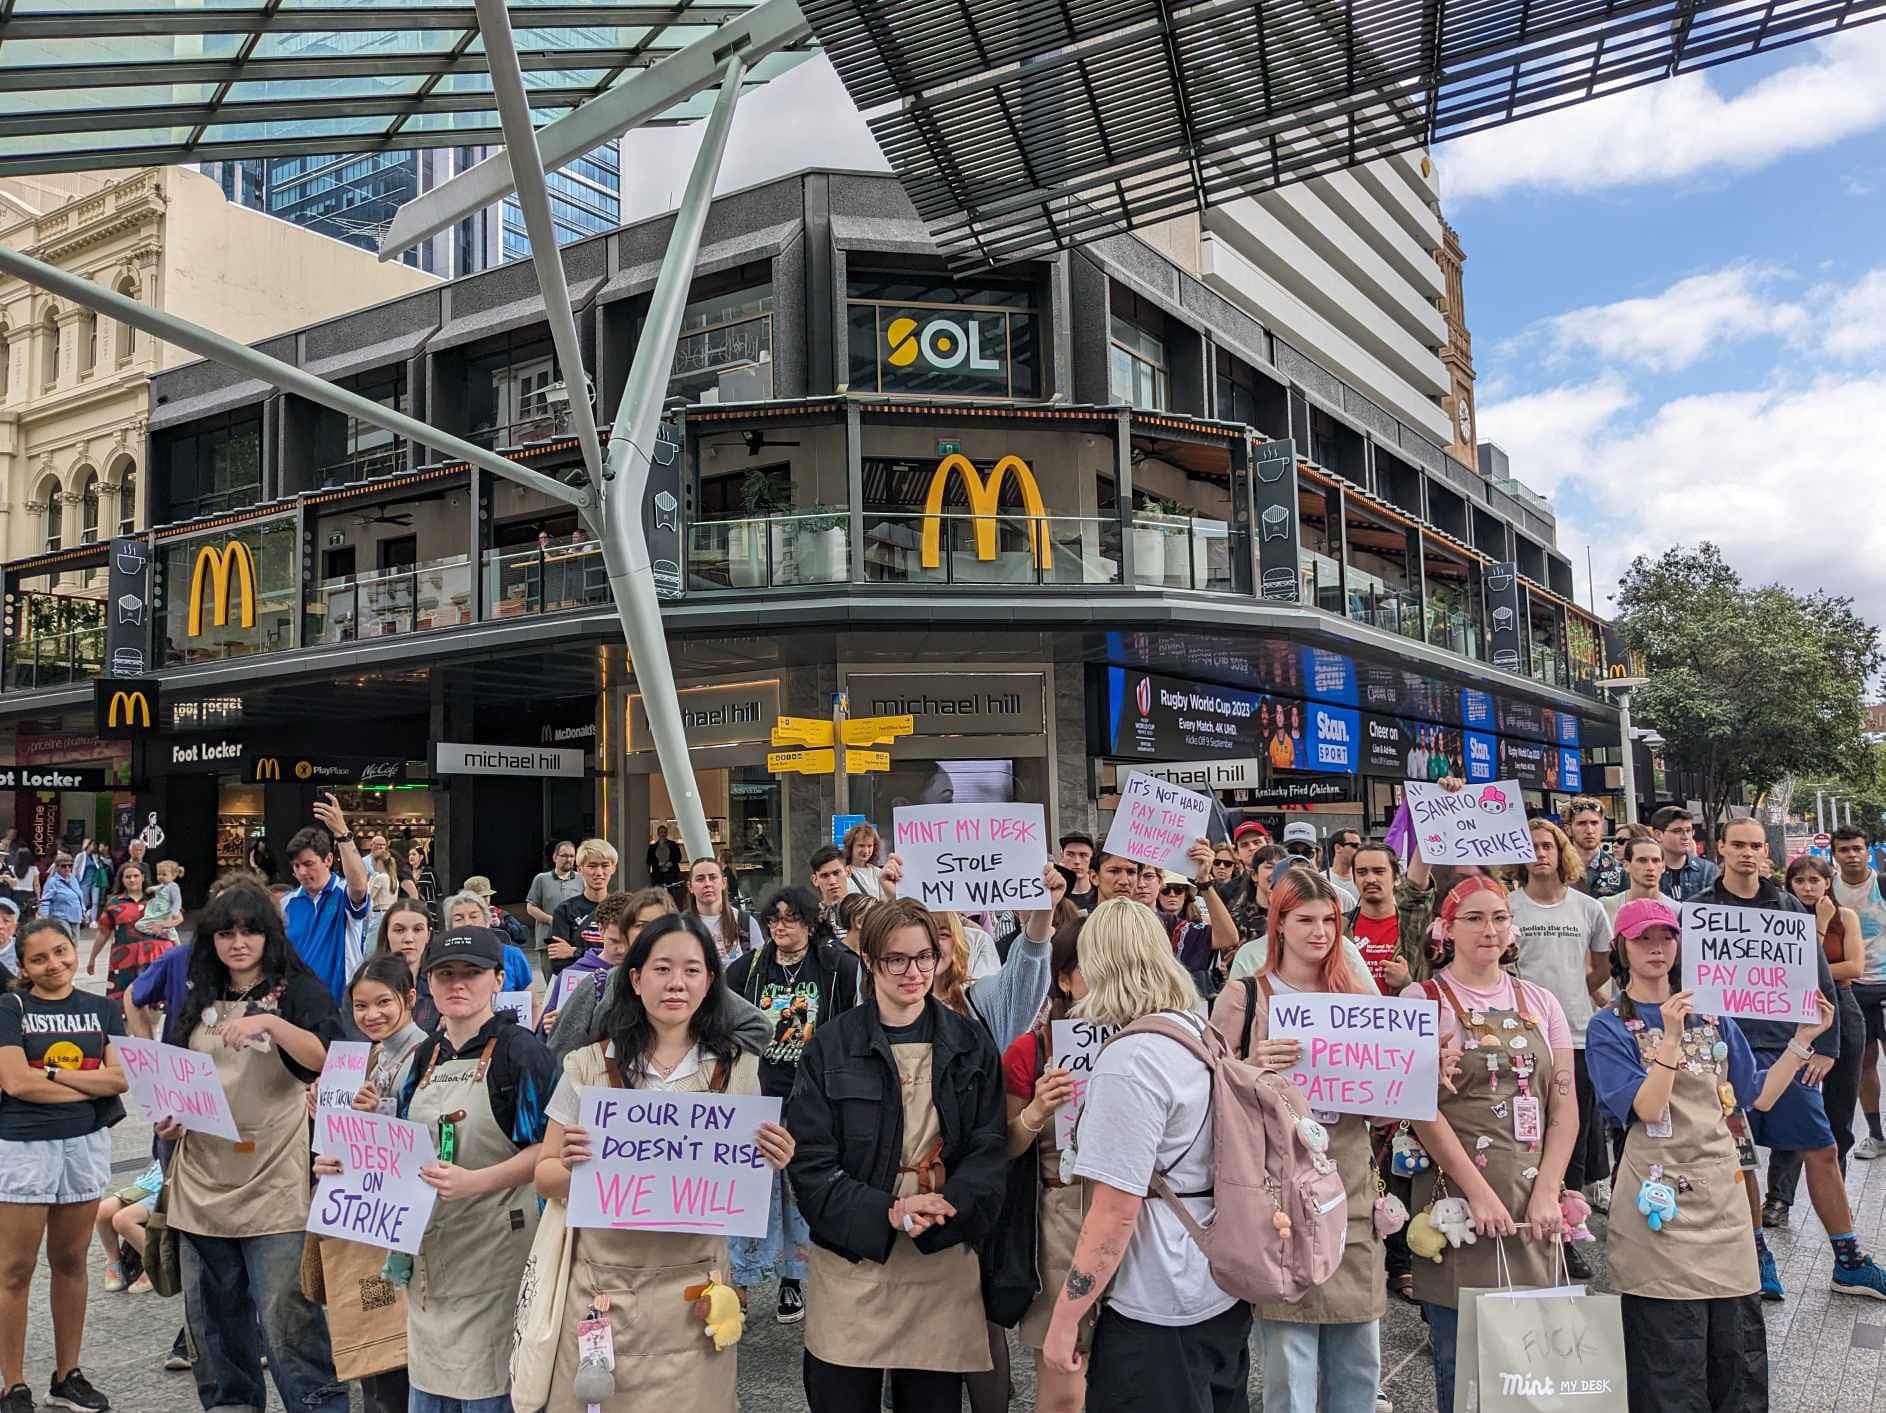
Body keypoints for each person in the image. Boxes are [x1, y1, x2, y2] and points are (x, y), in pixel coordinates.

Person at [534, 914, 795, 1412]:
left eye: (693, 970)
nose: (677, 983)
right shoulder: (587, 1066)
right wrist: (569, 1166)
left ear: (711, 981)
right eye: (662, 968)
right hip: (603, 1292)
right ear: (635, 979)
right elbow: (544, 1174)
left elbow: (746, 1171)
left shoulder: (739, 1069)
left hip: (694, 1296)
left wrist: (776, 1157)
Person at [1587, 897, 1833, 1412]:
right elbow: (1648, 1108)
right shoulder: (1609, 1026)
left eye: (1666, 937)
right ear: (1622, 948)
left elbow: (1756, 1095)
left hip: (1722, 1201)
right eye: (1642, 939)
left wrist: (1803, 1040)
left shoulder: (1715, 1017)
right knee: (1666, 1360)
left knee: (1735, 1355)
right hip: (1658, 1207)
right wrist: (1670, 1040)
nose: (1657, 948)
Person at [787, 898, 1008, 1410]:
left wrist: (953, 1202)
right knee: (840, 1395)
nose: (914, 973)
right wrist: (885, 1210)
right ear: (869, 961)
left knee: (932, 1399)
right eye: (896, 960)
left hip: (940, 1255)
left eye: (925, 957)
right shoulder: (830, 1046)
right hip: (852, 1257)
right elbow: (812, 1162)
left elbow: (988, 1145)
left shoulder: (970, 1042)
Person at [1040, 898, 1248, 1410]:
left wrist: (1065, 1319)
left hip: (1156, 1300)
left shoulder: (1128, 1060)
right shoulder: (1197, 1028)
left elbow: (1114, 1210)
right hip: (1217, 1282)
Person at [157, 883, 346, 1413]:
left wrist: (269, 1021)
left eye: (250, 931)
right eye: (226, 932)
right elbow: (177, 1073)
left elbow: (325, 1058)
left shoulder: (298, 992)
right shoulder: (197, 994)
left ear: (270, 935)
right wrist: (169, 1120)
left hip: (274, 1176)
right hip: (201, 1176)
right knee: (212, 1321)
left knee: (289, 1320)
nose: (238, 943)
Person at [1210, 872, 1386, 1413]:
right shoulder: (1244, 995)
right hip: (1276, 1188)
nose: (1320, 932)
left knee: (1360, 1352)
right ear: (1279, 924)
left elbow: (1385, 1100)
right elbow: (1211, 1087)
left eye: (1330, 920)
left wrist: (1422, 1071)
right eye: (1306, 920)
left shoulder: (1358, 998)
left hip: (1348, 1181)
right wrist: (1252, 1067)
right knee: (1289, 1360)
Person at [1401, 876, 1577, 1413]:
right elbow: (1420, 1108)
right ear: (1445, 928)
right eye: (1473, 918)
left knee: (1534, 1368)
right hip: (1456, 1202)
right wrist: (1477, 1194)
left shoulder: (1541, 1001)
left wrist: (1548, 1192)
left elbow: (1563, 1105)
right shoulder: (1422, 999)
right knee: (1463, 1366)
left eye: (1499, 917)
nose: (1489, 930)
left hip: (1532, 1202)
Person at [1700, 816, 1886, 1299]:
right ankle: (1755, 1253)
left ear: (1765, 853)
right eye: (1737, 844)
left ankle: (1847, 1259)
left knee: (1821, 1148)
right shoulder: (1698, 911)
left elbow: (1821, 979)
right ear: (1720, 848)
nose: (1746, 853)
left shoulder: (1787, 908)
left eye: (1755, 846)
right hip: (1722, 1052)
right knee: (1738, 1158)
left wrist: (1825, 1046)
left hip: (1787, 1048)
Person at [392, 928, 556, 1413]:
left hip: (499, 1247)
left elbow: (550, 1146)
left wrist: (477, 1181)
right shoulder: (424, 1056)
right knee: (430, 1385)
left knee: (491, 1386)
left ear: (498, 979)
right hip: (434, 1253)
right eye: (445, 974)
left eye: (472, 973)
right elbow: (403, 1144)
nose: (457, 984)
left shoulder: (519, 1053)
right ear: (428, 983)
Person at [0, 918, 130, 1413]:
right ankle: (12, 1383)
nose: (54, 964)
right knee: (14, 1268)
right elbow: (16, 1083)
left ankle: (67, 1374)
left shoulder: (101, 1009)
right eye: (39, 958)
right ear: (24, 966)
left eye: (60, 952)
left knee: (72, 1262)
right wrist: (85, 1079)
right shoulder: (11, 1007)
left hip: (84, 1144)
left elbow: (120, 1080)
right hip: (22, 1147)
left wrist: (50, 1071)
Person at [726, 885, 863, 1323]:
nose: (780, 926)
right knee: (750, 1189)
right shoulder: (746, 970)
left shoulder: (835, 965)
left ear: (808, 921)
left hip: (810, 1095)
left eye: (790, 918)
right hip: (759, 1091)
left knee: (799, 1188)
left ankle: (792, 1280)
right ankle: (740, 1283)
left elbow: (851, 1019)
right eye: (773, 919)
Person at [314, 952, 429, 1413]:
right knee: (380, 1361)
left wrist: (375, 1116)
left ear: (410, 997)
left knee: (398, 1358)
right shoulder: (374, 1056)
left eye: (383, 1002)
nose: (372, 1015)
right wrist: (332, 1147)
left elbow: (421, 1138)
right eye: (361, 1007)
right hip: (374, 1223)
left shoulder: (424, 1054)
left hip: (406, 1227)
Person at [1507, 814, 1613, 1276]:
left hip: (1575, 1036)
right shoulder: (1507, 907)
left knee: (1568, 1135)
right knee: (1522, 1133)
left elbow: (1603, 967)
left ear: (1561, 851)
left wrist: (1567, 994)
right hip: (1518, 1040)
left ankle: (1566, 1233)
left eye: (1548, 845)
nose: (1540, 853)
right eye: (1530, 846)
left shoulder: (1588, 908)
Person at [999, 923, 1089, 1413]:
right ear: (1065, 979)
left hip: (1135, 1218)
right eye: (1092, 970)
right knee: (1063, 1385)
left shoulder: (1145, 1041)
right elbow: (1005, 1148)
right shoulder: (1027, 1052)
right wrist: (1035, 1113)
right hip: (1059, 1220)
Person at [1768, 855, 1865, 1214]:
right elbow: (1790, 970)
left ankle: (1835, 1193)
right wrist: (1818, 931)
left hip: (1841, 1004)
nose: (1808, 888)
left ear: (1828, 882)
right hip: (1793, 1017)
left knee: (1839, 1110)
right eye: (1800, 881)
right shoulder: (1779, 920)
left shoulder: (1845, 917)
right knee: (1792, 1105)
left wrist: (1824, 927)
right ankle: (1779, 1196)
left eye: (1815, 880)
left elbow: (1854, 966)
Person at [545, 890, 675, 1060]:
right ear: (601, 930)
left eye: (626, 942)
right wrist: (549, 1026)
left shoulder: (675, 981)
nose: (621, 949)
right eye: (614, 941)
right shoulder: (582, 978)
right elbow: (554, 1048)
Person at [281, 795, 372, 1007]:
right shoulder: (287, 903)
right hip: (298, 1005)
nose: (302, 872)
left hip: (340, 1005)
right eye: (296, 866)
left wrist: (342, 833)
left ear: (328, 859)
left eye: (308, 863)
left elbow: (359, 886)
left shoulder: (343, 893)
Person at [1830, 825, 1886, 1161]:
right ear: (1835, 855)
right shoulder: (1829, 891)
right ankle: (1876, 1135)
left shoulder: (1882, 884)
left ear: (1868, 851)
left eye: (1857, 849)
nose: (1852, 855)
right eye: (1844, 850)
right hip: (1851, 989)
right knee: (1864, 1065)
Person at [88, 863, 167, 1003]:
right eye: (128, 877)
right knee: (123, 1003)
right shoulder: (114, 903)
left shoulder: (157, 900)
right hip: (123, 962)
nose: (132, 880)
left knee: (155, 1003)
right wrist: (92, 958)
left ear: (143, 877)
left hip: (153, 959)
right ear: (122, 880)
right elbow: (103, 932)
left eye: (136, 876)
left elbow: (174, 921)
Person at [441, 892, 541, 1002]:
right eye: (459, 919)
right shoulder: (442, 961)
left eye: (474, 916)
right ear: (450, 927)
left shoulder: (513, 956)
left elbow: (533, 1005)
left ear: (487, 921)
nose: (467, 923)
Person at [547, 839, 617, 980]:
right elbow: (558, 963)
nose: (599, 872)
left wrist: (574, 952)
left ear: (613, 868)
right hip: (577, 989)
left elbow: (628, 956)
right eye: (592, 866)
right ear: (579, 869)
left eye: (605, 865)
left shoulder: (624, 908)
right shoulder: (564, 910)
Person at [94, 1158, 161, 1294]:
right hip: (153, 1181)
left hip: (176, 1186)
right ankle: (114, 1261)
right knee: (102, 1211)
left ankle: (156, 1265)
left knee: (123, 1220)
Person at [373, 899, 439, 1031]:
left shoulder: (441, 987)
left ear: (428, 935)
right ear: (386, 933)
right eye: (399, 930)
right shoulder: (364, 983)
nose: (409, 938)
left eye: (418, 930)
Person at [684, 856, 763, 963]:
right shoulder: (679, 925)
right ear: (690, 887)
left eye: (713, 877)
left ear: (724, 883)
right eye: (700, 879)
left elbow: (759, 966)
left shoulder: (746, 922)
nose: (707, 884)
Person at [1653, 806, 1719, 902]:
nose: (1685, 837)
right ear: (1658, 835)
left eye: (1688, 831)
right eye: (1677, 831)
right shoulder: (1647, 870)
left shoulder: (1708, 870)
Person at [1602, 831, 1666, 927]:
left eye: (1656, 861)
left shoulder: (1676, 910)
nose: (1650, 867)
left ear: (1663, 866)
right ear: (1626, 865)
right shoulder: (1606, 907)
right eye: (1642, 860)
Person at [524, 842, 580, 952]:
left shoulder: (581, 879)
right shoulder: (541, 879)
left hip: (574, 943)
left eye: (572, 856)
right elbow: (531, 908)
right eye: (564, 856)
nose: (568, 859)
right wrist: (552, 920)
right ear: (555, 857)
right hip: (548, 942)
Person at [1567, 799, 1624, 898]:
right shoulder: (1558, 869)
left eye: (1594, 823)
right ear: (1568, 829)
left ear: (1602, 827)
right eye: (1582, 823)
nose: (1589, 830)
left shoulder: (1620, 871)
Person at [134, 861, 184, 946]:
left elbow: (177, 901)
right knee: (139, 925)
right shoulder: (163, 885)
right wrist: (151, 889)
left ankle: (169, 934)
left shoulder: (173, 886)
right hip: (157, 911)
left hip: (165, 912)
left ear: (173, 875)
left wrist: (173, 914)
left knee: (170, 929)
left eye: (164, 875)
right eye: (158, 874)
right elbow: (159, 887)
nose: (160, 877)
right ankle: (162, 932)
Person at [806, 846, 850, 939]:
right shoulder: (808, 918)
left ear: (848, 872)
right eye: (825, 876)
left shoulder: (863, 912)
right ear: (815, 880)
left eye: (836, 873)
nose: (832, 881)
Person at [36, 856, 84, 932]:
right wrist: (44, 919)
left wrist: (83, 911)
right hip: (60, 918)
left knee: (74, 943)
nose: (67, 868)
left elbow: (79, 896)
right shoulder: (52, 882)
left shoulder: (73, 879)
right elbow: (45, 901)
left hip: (75, 918)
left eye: (70, 866)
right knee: (65, 941)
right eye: (64, 866)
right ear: (57, 867)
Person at [1323, 828, 1362, 911]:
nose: (1359, 850)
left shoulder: (1364, 879)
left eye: (1360, 846)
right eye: (1354, 846)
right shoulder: (1321, 880)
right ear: (1337, 848)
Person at [1059, 834, 1097, 915]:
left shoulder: (1101, 893)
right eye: (1070, 854)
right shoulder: (1055, 896)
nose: (1077, 861)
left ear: (1092, 858)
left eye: (1083, 855)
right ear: (1062, 856)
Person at [399, 846, 437, 915]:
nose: (411, 857)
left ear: (421, 857)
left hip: (428, 909)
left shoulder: (429, 871)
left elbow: (438, 892)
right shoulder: (406, 873)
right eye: (409, 855)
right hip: (411, 909)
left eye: (414, 854)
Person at [644, 824, 683, 889]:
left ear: (667, 833)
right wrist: (657, 863)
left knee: (671, 894)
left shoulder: (673, 844)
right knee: (659, 895)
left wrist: (672, 863)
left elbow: (679, 857)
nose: (663, 834)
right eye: (661, 832)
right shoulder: (652, 847)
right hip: (658, 875)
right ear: (658, 834)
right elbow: (649, 860)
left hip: (671, 874)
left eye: (665, 832)